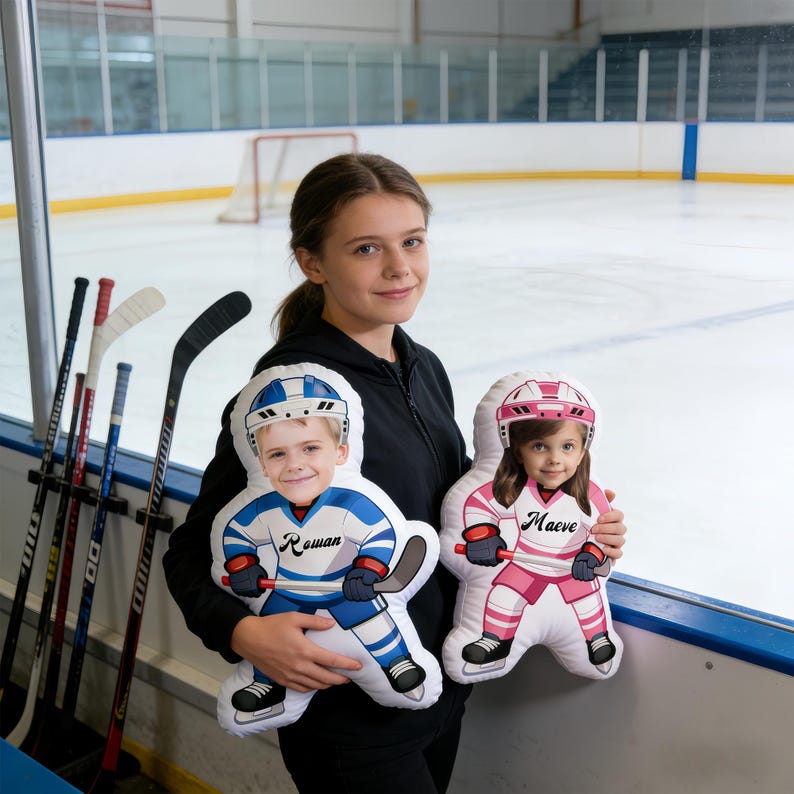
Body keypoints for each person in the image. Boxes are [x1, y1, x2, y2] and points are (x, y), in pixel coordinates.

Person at [162, 152, 627, 793]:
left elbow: (472, 501)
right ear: (313, 262)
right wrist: (244, 633)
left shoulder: (420, 364)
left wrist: (576, 524)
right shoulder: (294, 396)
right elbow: (192, 548)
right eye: (366, 249)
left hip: (437, 690)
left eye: (412, 241)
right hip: (349, 722)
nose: (400, 267)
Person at [221, 374, 426, 718]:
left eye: (311, 448)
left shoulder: (350, 504)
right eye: (277, 454)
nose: (295, 464)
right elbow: (236, 536)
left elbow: (379, 536)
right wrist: (244, 566)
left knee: (372, 619)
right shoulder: (264, 510)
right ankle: (266, 683)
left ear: (340, 451)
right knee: (273, 621)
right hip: (290, 590)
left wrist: (366, 569)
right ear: (262, 464)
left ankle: (397, 662)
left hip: (344, 586)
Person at [460, 377, 617, 676]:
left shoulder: (589, 494)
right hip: (525, 563)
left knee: (587, 597)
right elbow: (479, 506)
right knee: (502, 596)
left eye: (568, 446)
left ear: (584, 450)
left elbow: (600, 532)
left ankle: (597, 638)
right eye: (539, 445)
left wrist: (592, 555)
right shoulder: (512, 488)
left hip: (572, 564)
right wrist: (484, 536)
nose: (555, 459)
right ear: (516, 449)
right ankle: (495, 640)